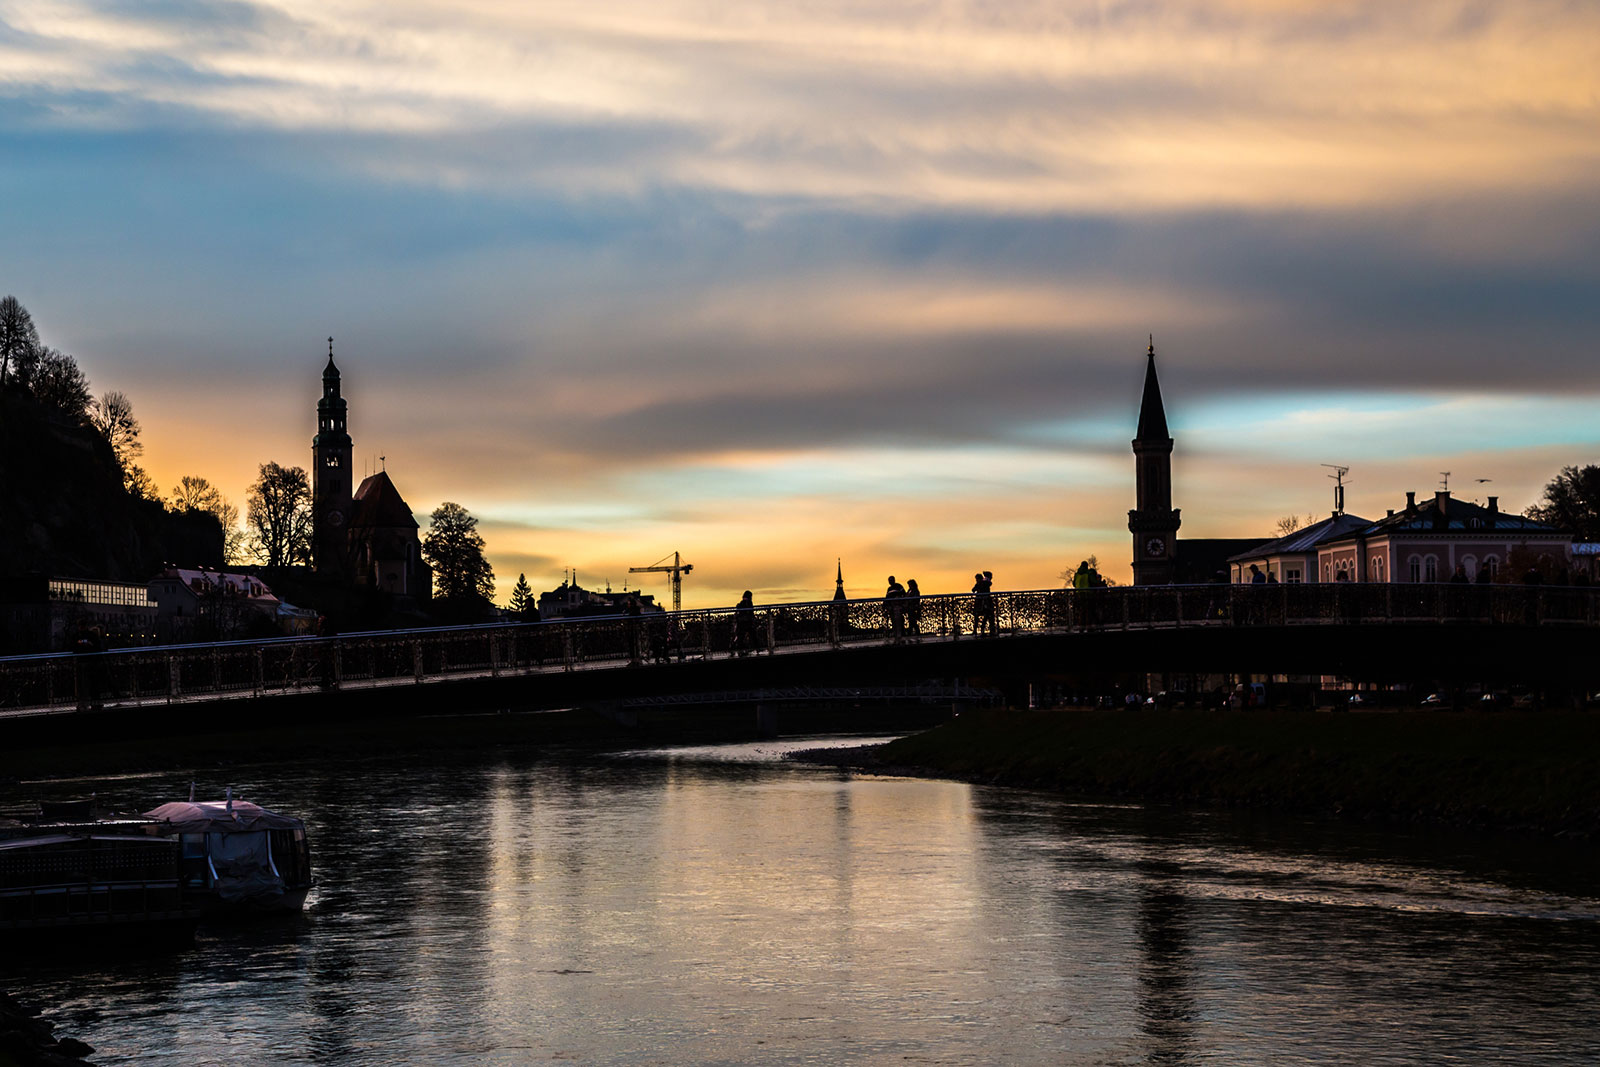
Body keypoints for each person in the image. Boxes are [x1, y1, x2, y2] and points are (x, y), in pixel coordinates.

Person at [734, 590, 756, 655]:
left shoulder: (741, 603)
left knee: (741, 636)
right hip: (747, 622)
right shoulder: (749, 602)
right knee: (753, 635)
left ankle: (739, 649)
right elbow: (751, 612)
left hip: (741, 622)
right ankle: (757, 647)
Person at [884, 576, 906, 640]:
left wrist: (901, 602)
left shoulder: (899, 586)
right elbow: (887, 598)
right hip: (892, 607)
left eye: (891, 580)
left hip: (898, 606)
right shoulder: (889, 589)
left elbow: (904, 594)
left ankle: (901, 634)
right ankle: (896, 634)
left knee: (900, 621)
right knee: (894, 622)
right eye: (889, 580)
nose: (890, 582)